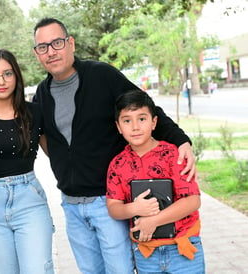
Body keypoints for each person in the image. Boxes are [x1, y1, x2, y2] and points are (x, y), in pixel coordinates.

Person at [32, 17, 196, 274]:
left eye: (57, 43)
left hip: (108, 202)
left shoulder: (102, 75)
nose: (51, 51)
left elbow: (145, 106)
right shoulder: (41, 94)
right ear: (37, 54)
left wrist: (181, 140)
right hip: (72, 205)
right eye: (43, 47)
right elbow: (43, 138)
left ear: (71, 43)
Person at [0, 49, 54, 274]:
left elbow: (55, 154)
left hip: (30, 198)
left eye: (7, 74)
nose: (1, 81)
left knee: (39, 269)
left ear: (16, 76)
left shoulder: (35, 113)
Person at [106, 90, 205, 273]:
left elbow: (193, 200)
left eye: (142, 119)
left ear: (154, 122)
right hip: (145, 253)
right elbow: (114, 207)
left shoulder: (174, 155)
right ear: (118, 127)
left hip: (183, 249)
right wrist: (134, 209)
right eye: (127, 120)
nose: (135, 127)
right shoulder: (117, 165)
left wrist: (154, 220)